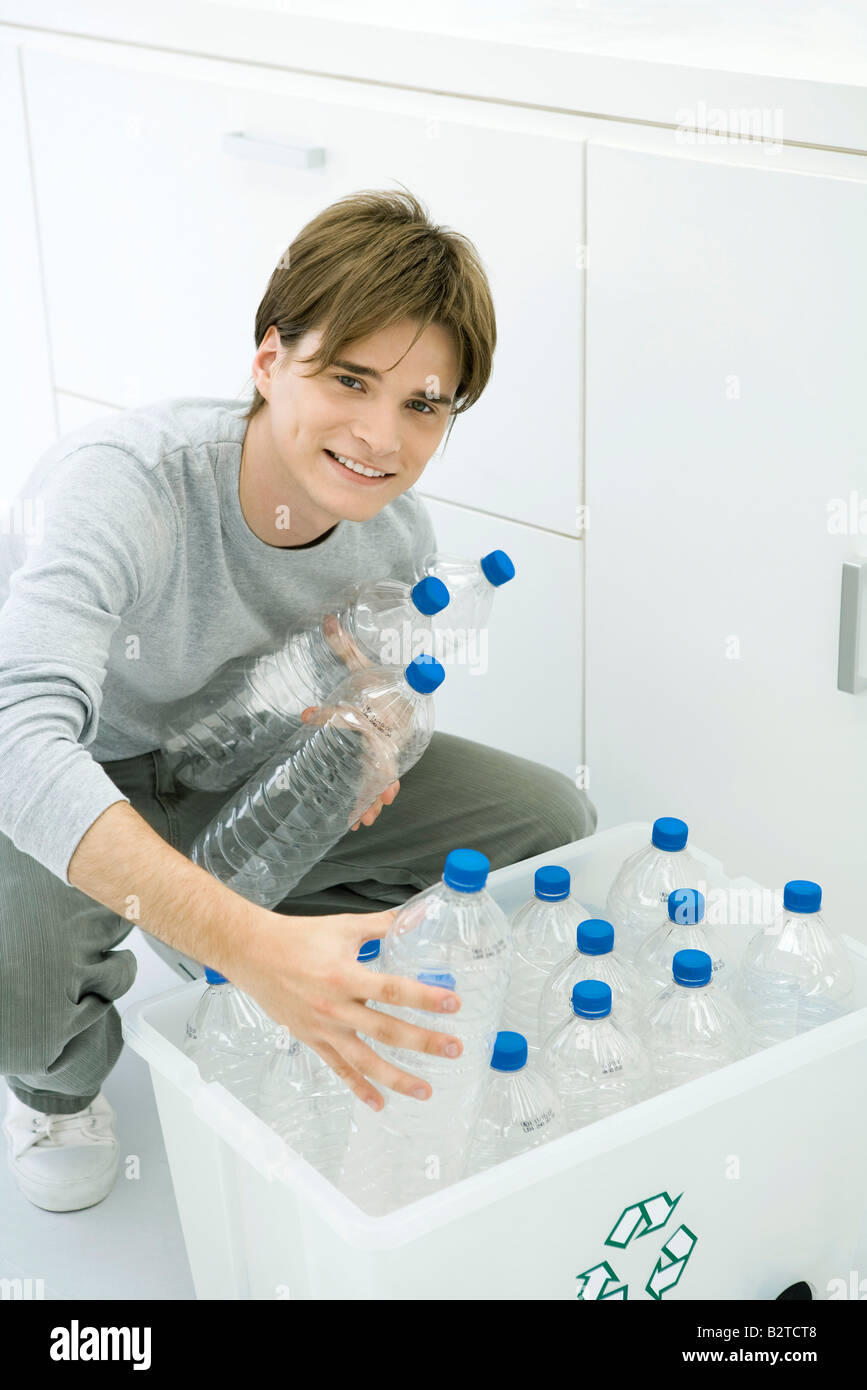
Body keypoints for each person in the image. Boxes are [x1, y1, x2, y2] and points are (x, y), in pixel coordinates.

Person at [0, 187, 597, 1213]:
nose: (380, 435)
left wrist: (380, 730)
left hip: (240, 771)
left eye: (423, 404)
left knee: (550, 819)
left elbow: (384, 690)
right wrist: (245, 938)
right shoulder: (126, 486)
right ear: (271, 361)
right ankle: (60, 1084)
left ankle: (259, 957)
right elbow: (15, 740)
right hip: (82, 771)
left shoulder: (395, 539)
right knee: (17, 986)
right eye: (350, 379)